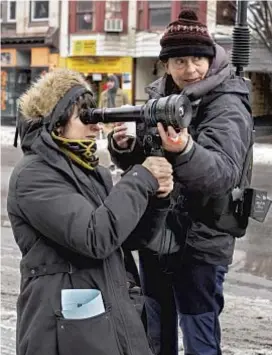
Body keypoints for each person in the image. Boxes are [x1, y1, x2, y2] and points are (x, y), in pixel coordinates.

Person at [108, 10, 253, 355]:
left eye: (198, 59)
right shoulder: (159, 96)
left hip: (202, 241)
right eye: (180, 61)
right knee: (156, 330)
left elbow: (222, 174)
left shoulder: (228, 101)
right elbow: (147, 159)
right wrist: (124, 147)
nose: (190, 70)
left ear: (211, 56)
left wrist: (186, 149)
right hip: (157, 232)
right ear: (166, 65)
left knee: (199, 335)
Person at [7, 68, 174, 355]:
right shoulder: (34, 175)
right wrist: (139, 179)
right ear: (57, 123)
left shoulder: (91, 171)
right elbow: (95, 237)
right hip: (62, 329)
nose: (97, 126)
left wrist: (157, 198)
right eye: (85, 117)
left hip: (107, 316)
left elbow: (128, 238)